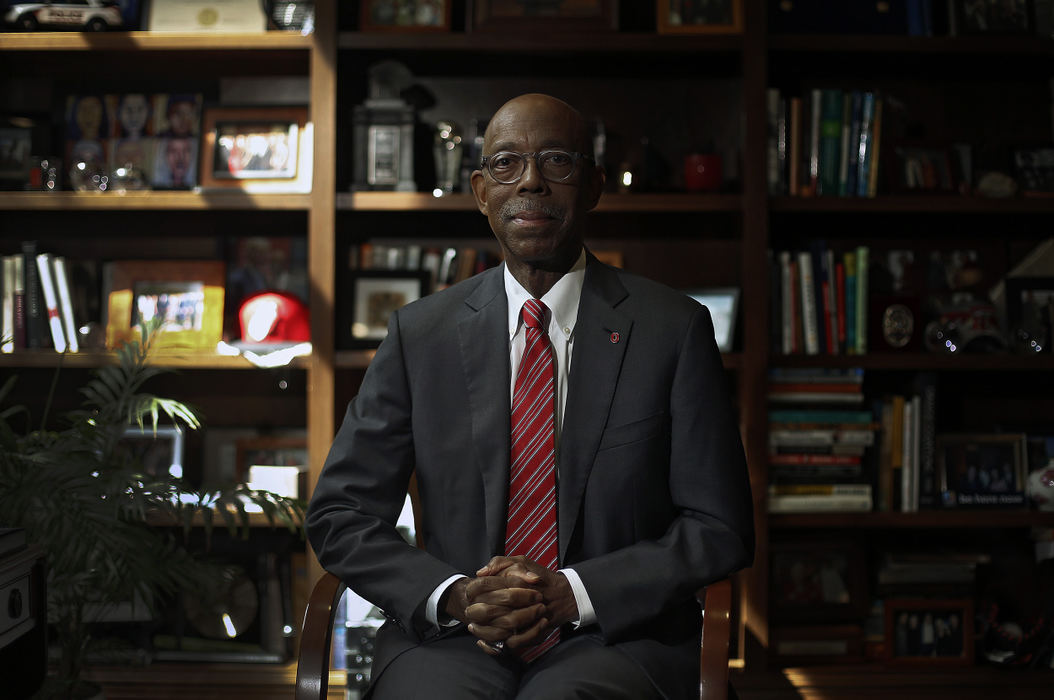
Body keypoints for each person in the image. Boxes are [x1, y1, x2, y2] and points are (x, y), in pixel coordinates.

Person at [306, 93, 754, 700]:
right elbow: (342, 514)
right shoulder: (421, 334)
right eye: (506, 164)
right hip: (454, 638)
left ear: (594, 185)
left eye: (556, 162)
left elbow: (719, 526)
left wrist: (576, 592)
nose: (532, 183)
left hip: (617, 636)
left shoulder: (672, 330)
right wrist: (456, 597)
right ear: (481, 192)